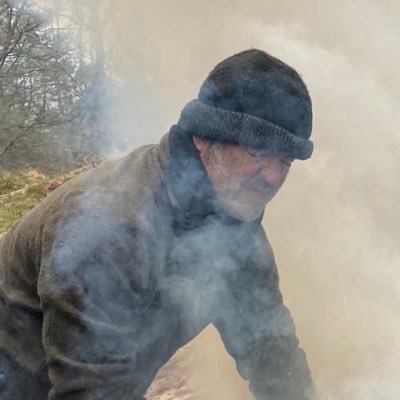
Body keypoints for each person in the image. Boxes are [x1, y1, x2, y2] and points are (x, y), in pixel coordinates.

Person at [0, 49, 316, 400]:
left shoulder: (235, 233)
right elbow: (93, 394)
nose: (273, 177)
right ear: (204, 138)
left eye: (285, 161)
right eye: (258, 153)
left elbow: (273, 356)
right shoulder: (113, 229)